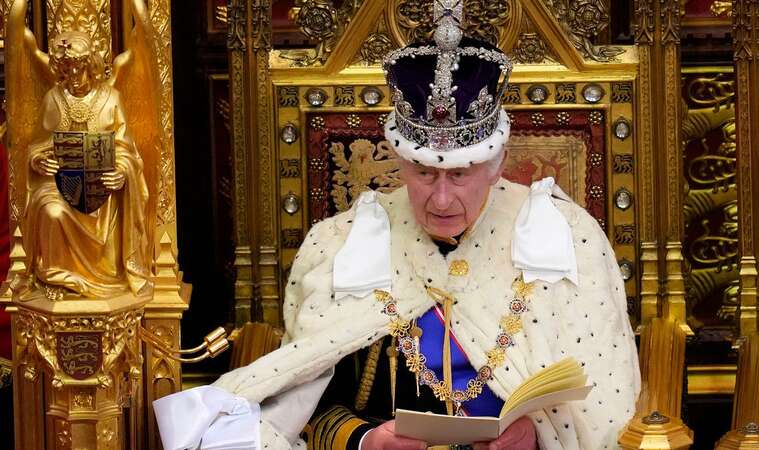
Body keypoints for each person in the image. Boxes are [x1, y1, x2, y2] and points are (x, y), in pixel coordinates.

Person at [153, 1, 640, 448]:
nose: (441, 198)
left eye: (460, 174)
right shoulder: (342, 243)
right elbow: (304, 405)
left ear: (497, 163)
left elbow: (600, 413)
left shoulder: (567, 237)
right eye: (424, 173)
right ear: (398, 160)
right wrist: (365, 442)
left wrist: (537, 436)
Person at [21, 30, 152, 299]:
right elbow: (37, 146)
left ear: (91, 66)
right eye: (68, 71)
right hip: (60, 186)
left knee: (109, 201)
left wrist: (121, 173)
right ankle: (57, 278)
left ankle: (109, 273)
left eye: (80, 69)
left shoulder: (111, 98)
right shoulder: (53, 100)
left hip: (102, 191)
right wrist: (38, 161)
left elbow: (126, 149)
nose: (75, 78)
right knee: (49, 210)